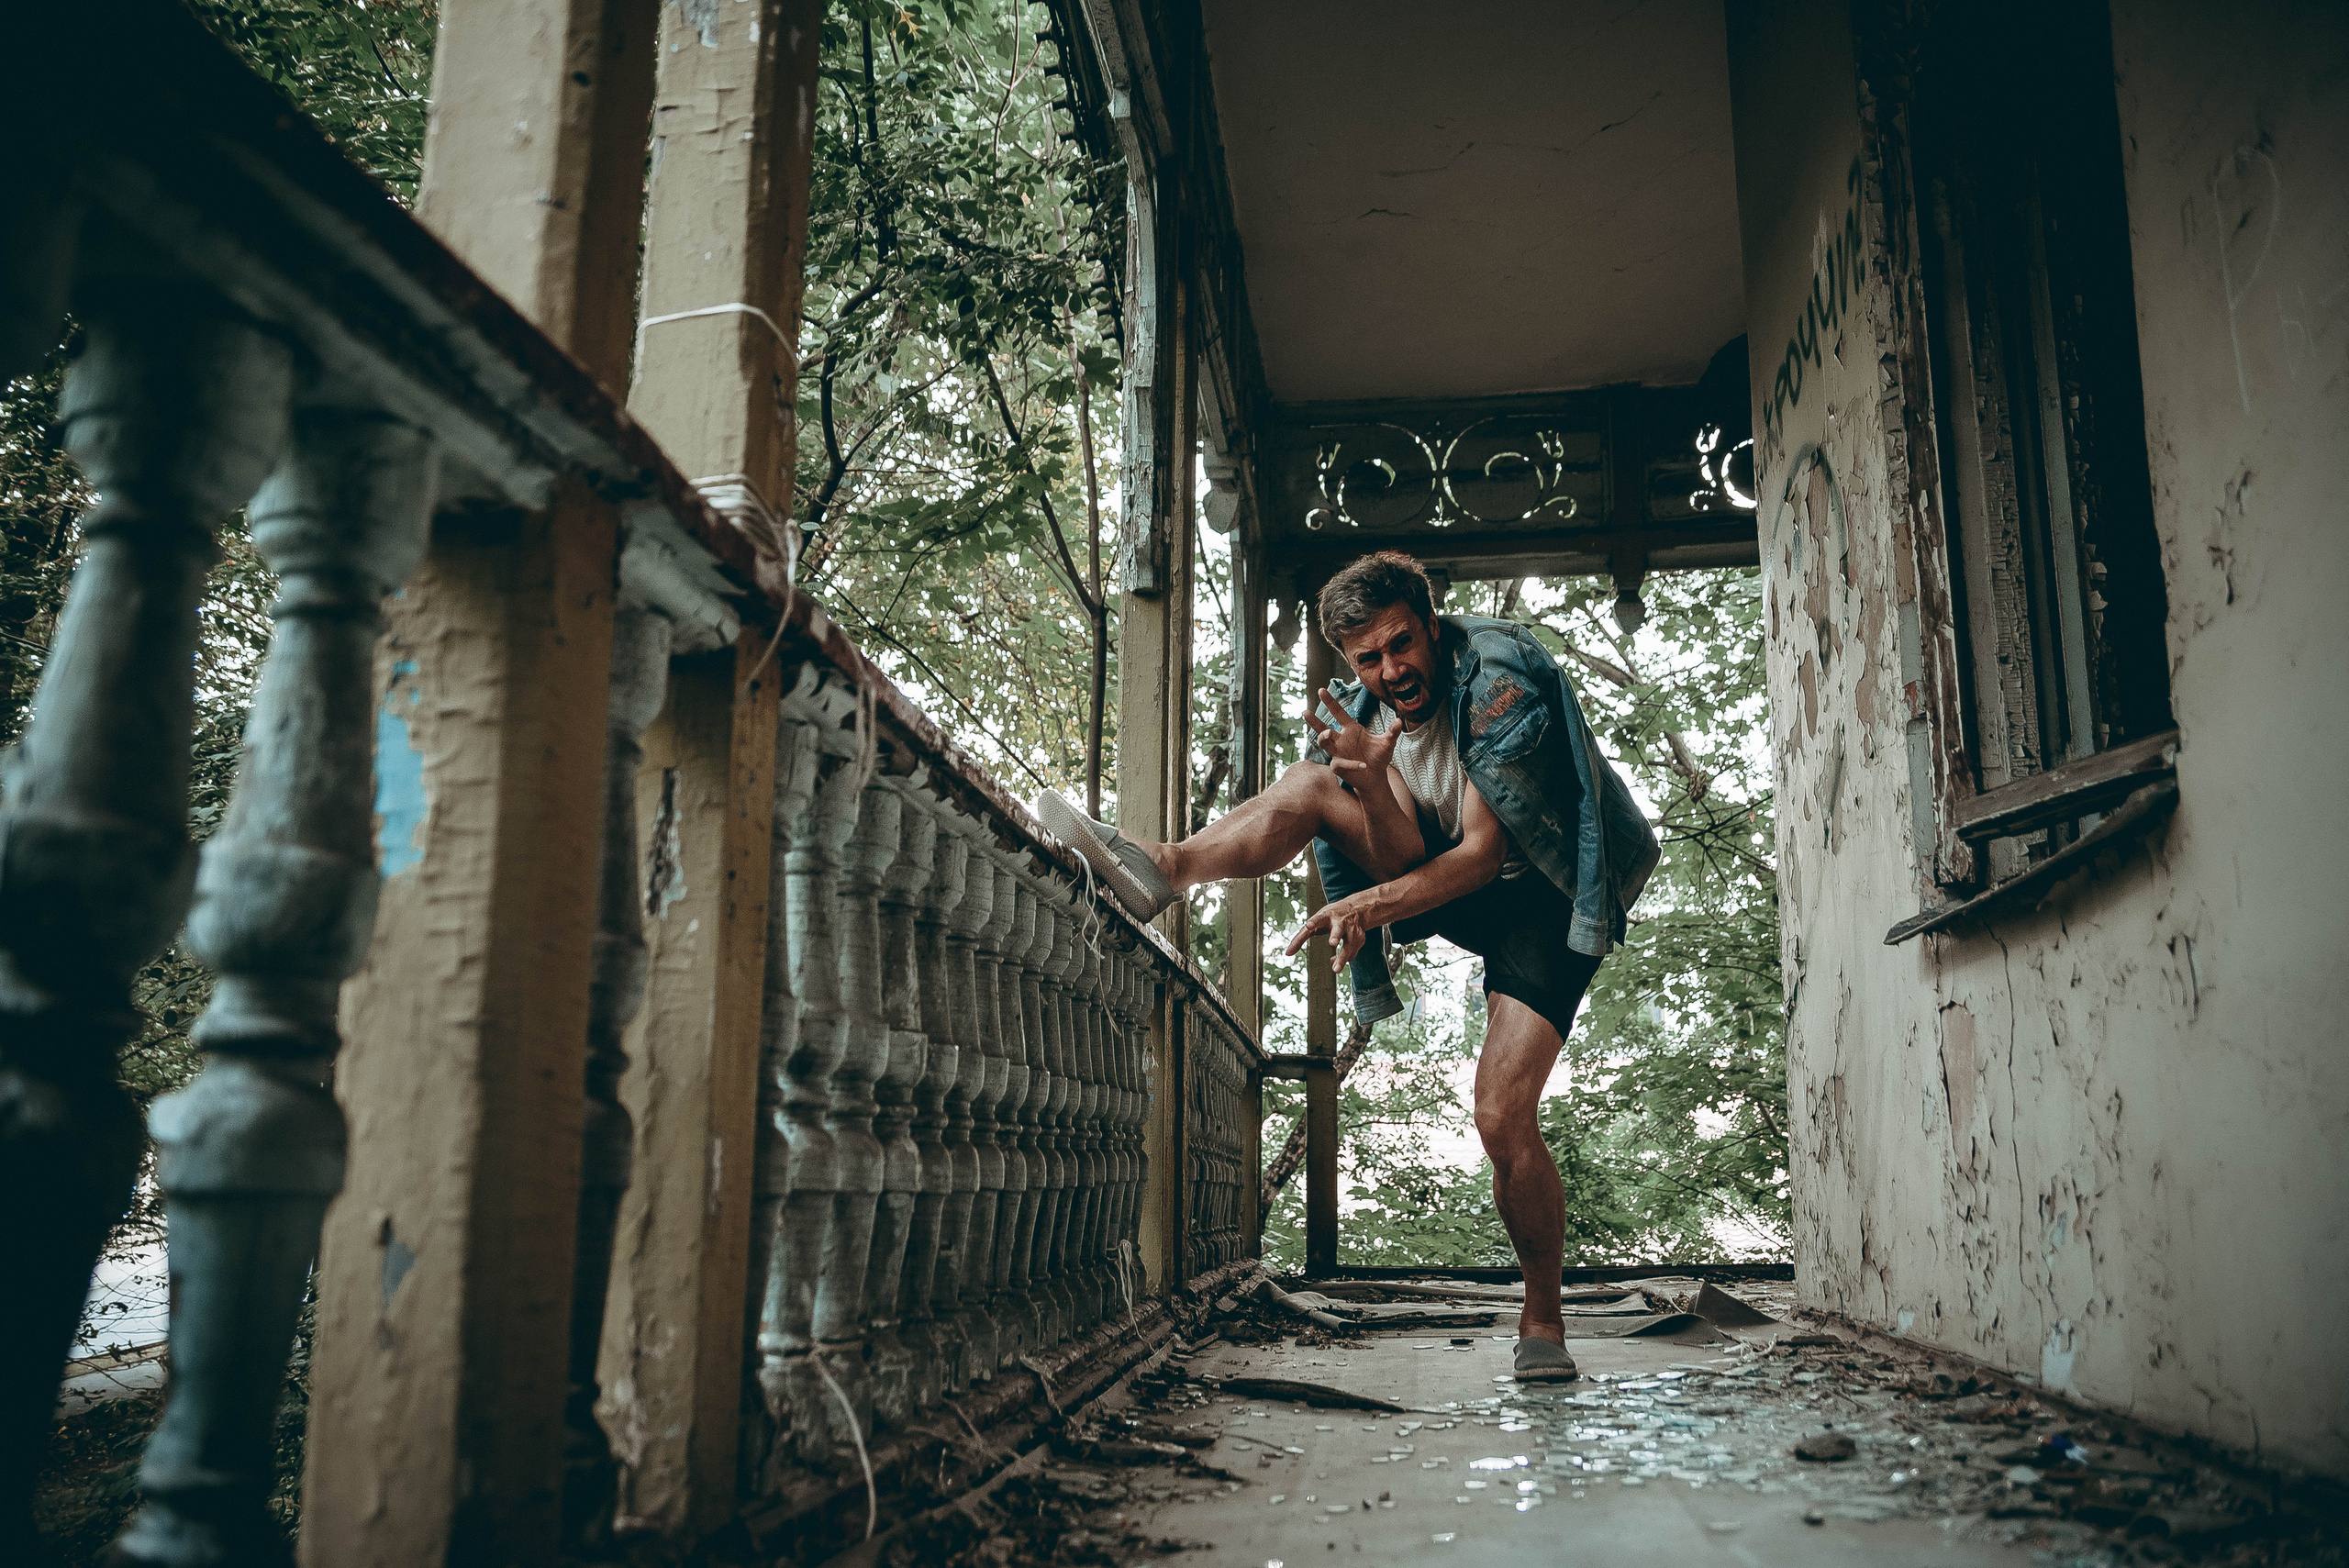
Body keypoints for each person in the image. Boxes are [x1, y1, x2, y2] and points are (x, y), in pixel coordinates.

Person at [1035, 550, 1658, 1383]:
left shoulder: (1498, 676)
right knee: (1309, 781)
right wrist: (1367, 780)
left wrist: (1368, 906)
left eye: (1403, 644)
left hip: (1544, 893)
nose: (1393, 669)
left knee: (1500, 1112)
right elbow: (1405, 855)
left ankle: (1543, 1315)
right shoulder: (1367, 716)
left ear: (1432, 626)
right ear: (1349, 661)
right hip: (1453, 879)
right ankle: (1163, 867)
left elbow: (1478, 855)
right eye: (1370, 657)